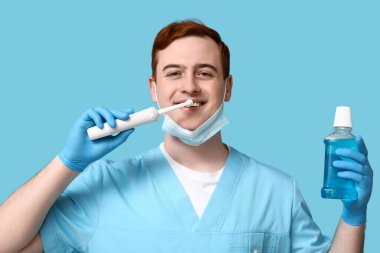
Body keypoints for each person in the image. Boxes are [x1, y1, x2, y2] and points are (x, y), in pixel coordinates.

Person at [0, 20, 373, 253]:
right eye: (174, 73)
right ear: (154, 88)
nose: (189, 87)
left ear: (227, 88)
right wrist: (66, 164)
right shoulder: (103, 185)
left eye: (205, 73)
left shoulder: (278, 190)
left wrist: (353, 217)